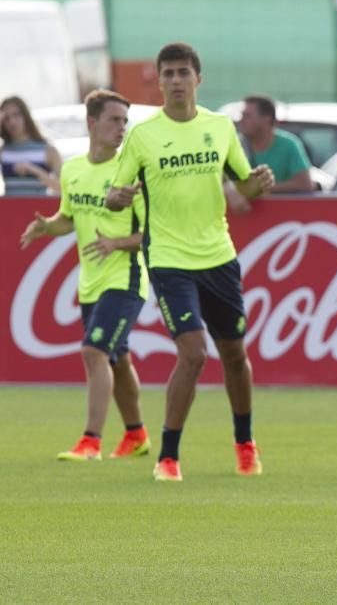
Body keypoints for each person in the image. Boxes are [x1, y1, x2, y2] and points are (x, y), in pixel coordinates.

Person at [106, 42, 275, 482]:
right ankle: (168, 456)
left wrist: (260, 183)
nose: (176, 81)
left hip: (218, 256)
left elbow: (243, 190)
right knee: (194, 353)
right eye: (169, 74)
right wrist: (117, 196)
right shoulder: (143, 135)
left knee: (235, 355)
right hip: (168, 259)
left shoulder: (220, 128)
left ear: (198, 79)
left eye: (184, 73)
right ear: (158, 81)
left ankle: (244, 443)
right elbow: (113, 193)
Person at [19, 90, 151, 461]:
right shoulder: (74, 169)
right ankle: (137, 435)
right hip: (90, 283)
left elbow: (153, 235)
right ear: (92, 123)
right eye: (114, 120)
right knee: (116, 359)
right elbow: (69, 217)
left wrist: (117, 243)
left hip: (124, 280)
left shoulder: (131, 173)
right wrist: (48, 226)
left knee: (94, 352)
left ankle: (91, 441)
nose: (121, 128)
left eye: (125, 121)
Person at [239, 94, 314, 193]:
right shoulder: (235, 145)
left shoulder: (288, 145)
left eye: (247, 116)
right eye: (242, 115)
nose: (241, 120)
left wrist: (262, 188)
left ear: (267, 119)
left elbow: (304, 184)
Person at [1, 95, 62, 194]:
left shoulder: (48, 150)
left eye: (16, 115)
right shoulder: (3, 150)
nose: (12, 122)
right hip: (9, 208)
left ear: (26, 116)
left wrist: (34, 170)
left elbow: (62, 187)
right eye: (6, 118)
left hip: (38, 207)